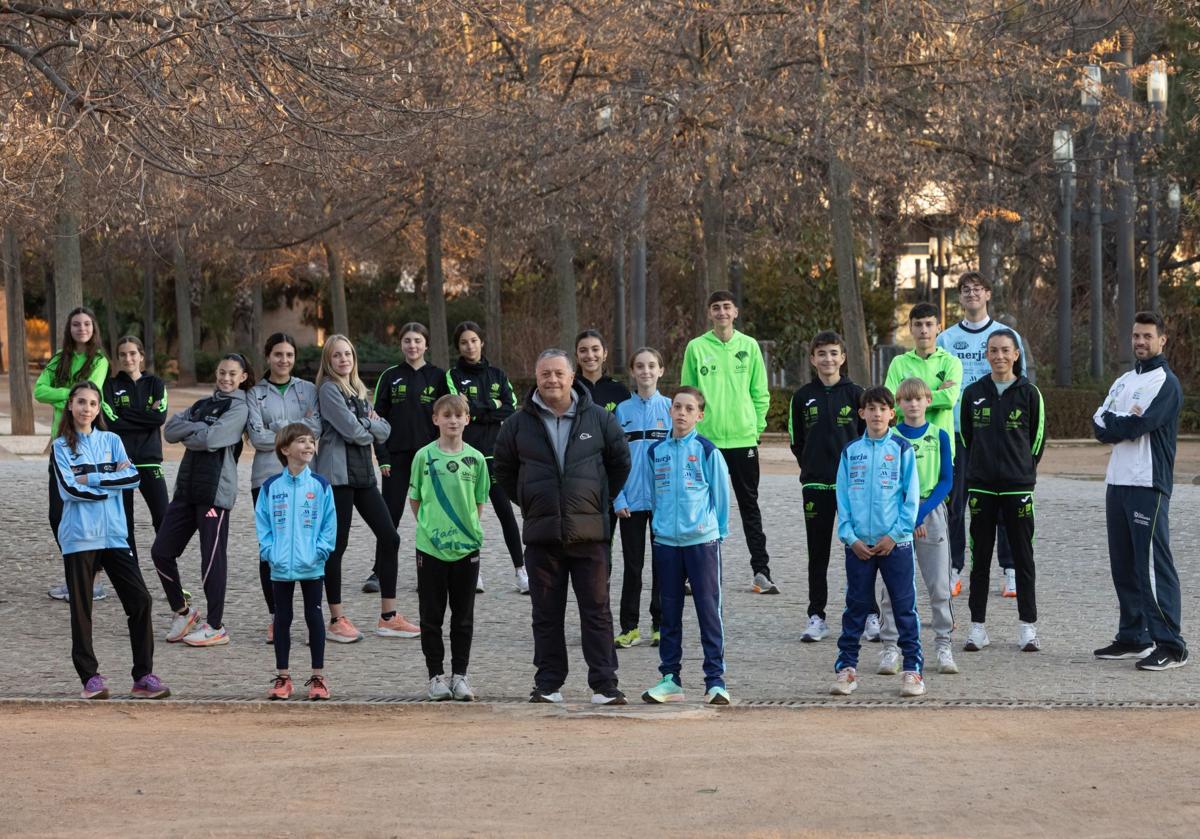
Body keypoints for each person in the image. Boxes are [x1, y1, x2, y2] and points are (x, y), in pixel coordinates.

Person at [493, 349, 631, 705]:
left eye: (558, 373)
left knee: (597, 611)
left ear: (572, 377)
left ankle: (604, 685)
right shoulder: (516, 425)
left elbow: (620, 464)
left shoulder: (600, 420)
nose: (552, 380)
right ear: (535, 379)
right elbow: (505, 472)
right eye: (545, 374)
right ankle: (548, 684)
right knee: (546, 613)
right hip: (542, 535)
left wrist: (595, 502)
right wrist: (534, 502)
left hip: (591, 535)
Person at [53, 381, 169, 700]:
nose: (86, 408)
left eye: (92, 403)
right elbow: (68, 490)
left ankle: (143, 676)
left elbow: (132, 478)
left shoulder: (112, 440)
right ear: (71, 406)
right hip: (80, 538)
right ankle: (89, 677)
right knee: (82, 609)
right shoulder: (61, 446)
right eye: (80, 402)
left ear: (98, 408)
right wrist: (110, 483)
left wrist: (93, 478)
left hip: (116, 537)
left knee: (141, 601)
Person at [1093, 311, 1187, 670]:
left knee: (1151, 565)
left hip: (1148, 483)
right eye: (1136, 336)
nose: (1140, 342)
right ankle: (1134, 636)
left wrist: (1121, 423)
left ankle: (1171, 644)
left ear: (1162, 340)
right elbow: (1099, 423)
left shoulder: (1166, 382)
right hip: (1117, 481)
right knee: (1124, 564)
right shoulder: (1123, 381)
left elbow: (1142, 424)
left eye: (1148, 336)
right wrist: (1123, 423)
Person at [314, 334, 418, 643]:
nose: (344, 359)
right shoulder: (329, 390)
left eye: (348, 354)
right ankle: (336, 618)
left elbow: (384, 430)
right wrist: (369, 424)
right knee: (337, 546)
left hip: (363, 475)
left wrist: (368, 424)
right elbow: (355, 432)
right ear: (328, 362)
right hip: (338, 477)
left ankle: (388, 616)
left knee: (390, 537)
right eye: (337, 355)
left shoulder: (359, 391)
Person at [937, 272, 1030, 598]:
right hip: (958, 434)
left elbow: (1023, 388)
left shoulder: (1007, 336)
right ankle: (953, 569)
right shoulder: (945, 339)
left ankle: (1010, 570)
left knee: (1003, 503)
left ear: (988, 294)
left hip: (998, 436)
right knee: (955, 504)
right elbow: (937, 386)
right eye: (966, 290)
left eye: (978, 289)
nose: (972, 294)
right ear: (959, 297)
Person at [639, 387, 732, 706]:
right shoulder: (656, 452)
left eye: (688, 408)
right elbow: (652, 493)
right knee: (669, 612)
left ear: (699, 415)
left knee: (709, 610)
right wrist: (660, 529)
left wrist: (716, 532)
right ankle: (670, 679)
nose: (681, 413)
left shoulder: (707, 451)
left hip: (702, 542)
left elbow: (720, 497)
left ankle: (716, 681)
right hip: (666, 543)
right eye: (677, 406)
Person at [152, 353, 252, 647]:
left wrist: (193, 431)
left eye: (233, 374)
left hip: (214, 494)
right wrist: (199, 430)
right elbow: (169, 431)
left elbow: (211, 440)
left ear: (243, 377)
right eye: (222, 372)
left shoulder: (239, 407)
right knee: (161, 551)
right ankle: (184, 612)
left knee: (211, 560)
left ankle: (216, 626)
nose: (226, 378)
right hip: (186, 489)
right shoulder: (201, 405)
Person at [829, 386, 924, 698]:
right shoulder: (850, 452)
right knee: (855, 606)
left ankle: (912, 670)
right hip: (859, 546)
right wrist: (850, 537)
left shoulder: (902, 449)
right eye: (871, 408)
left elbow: (910, 500)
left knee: (903, 606)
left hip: (895, 545)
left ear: (892, 413)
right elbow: (842, 498)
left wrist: (895, 536)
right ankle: (847, 669)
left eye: (883, 408)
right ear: (862, 413)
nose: (877, 414)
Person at [680, 290, 774, 593]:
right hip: (707, 442)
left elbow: (760, 392)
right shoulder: (696, 348)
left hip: (742, 439)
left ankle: (761, 571)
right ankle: (693, 572)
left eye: (726, 307)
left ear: (735, 312)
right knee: (700, 506)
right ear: (710, 314)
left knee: (749, 505)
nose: (721, 312)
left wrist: (755, 427)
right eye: (716, 308)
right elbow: (688, 396)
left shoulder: (749, 347)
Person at [959, 330, 1045, 653]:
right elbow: (967, 437)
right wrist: (982, 469)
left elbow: (1037, 441)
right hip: (981, 487)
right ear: (986, 354)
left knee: (1023, 558)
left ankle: (1027, 627)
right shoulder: (973, 393)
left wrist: (1020, 471)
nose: (999, 356)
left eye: (1005, 350)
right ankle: (977, 627)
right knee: (979, 557)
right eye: (993, 350)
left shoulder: (1030, 393)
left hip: (1017, 489)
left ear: (1016, 354)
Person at [788, 331, 869, 643]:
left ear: (843, 357)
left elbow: (866, 438)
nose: (828, 359)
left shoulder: (857, 394)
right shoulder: (801, 396)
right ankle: (816, 616)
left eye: (834, 353)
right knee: (817, 553)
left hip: (853, 488)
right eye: (821, 354)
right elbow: (797, 442)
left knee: (861, 549)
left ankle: (868, 614)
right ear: (813, 359)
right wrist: (812, 467)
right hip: (816, 486)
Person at [409, 395, 490, 701]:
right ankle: (435, 676)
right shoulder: (423, 457)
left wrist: (464, 531)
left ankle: (460, 676)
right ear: (436, 419)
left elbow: (478, 501)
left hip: (466, 549)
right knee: (431, 615)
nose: (453, 420)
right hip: (430, 548)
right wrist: (432, 530)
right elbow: (415, 498)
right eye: (447, 415)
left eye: (459, 415)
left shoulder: (477, 459)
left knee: (463, 615)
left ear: (467, 419)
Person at [876, 378, 957, 676]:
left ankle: (943, 644)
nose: (912, 405)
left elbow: (947, 479)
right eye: (906, 400)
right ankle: (890, 648)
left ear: (928, 401)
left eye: (918, 399)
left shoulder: (940, 435)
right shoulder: (891, 436)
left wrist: (921, 512)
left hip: (930, 512)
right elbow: (886, 481)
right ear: (898, 405)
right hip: (896, 515)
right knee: (891, 587)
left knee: (938, 584)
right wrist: (907, 515)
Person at [246, 332, 321, 642]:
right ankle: (277, 617)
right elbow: (256, 436)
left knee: (307, 546)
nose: (284, 360)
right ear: (268, 356)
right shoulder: (254, 393)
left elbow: (316, 429)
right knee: (271, 550)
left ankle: (310, 617)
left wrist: (277, 430)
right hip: (266, 479)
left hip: (306, 481)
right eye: (278, 354)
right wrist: (295, 432)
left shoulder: (308, 390)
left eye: (289, 355)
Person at [446, 321, 528, 594]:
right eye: (463, 342)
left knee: (505, 512)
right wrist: (490, 407)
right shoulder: (453, 375)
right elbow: (459, 410)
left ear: (482, 342)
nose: (469, 346)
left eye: (473, 340)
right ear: (458, 347)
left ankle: (521, 572)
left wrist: (480, 410)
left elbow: (511, 407)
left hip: (495, 455)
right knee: (470, 515)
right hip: (465, 455)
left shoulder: (498, 375)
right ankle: (474, 572)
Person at [366, 322, 448, 593]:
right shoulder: (390, 376)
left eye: (417, 341)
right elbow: (376, 422)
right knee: (390, 517)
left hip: (430, 459)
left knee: (432, 515)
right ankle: (379, 572)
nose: (412, 346)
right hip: (396, 460)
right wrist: (383, 457)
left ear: (426, 345)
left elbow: (449, 418)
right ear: (400, 344)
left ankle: (432, 572)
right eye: (407, 341)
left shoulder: (438, 376)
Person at [256, 423, 336, 701]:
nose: (308, 446)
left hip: (312, 565)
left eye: (311, 442)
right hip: (279, 567)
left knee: (314, 616)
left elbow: (329, 524)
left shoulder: (321, 485)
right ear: (285, 449)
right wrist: (269, 551)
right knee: (282, 618)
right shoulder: (270, 487)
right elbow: (263, 524)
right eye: (301, 441)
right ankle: (283, 676)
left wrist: (321, 551)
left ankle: (318, 676)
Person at [38, 306, 110, 602]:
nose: (82, 328)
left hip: (87, 443)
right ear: (69, 328)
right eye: (76, 324)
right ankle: (76, 574)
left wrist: (65, 394)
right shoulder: (59, 359)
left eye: (87, 324)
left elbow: (90, 394)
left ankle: (90, 579)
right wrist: (69, 395)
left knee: (86, 513)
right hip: (60, 443)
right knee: (58, 516)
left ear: (94, 328)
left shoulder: (100, 360)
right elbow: (39, 391)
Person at [612, 347, 670, 649]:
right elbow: (612, 458)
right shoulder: (622, 411)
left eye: (651, 366)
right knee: (633, 566)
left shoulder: (672, 408)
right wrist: (617, 497)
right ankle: (629, 627)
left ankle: (660, 625)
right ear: (632, 372)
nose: (646, 371)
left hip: (664, 504)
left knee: (663, 565)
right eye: (639, 366)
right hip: (630, 504)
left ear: (661, 370)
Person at [102, 337, 169, 571]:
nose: (128, 358)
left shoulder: (156, 383)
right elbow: (111, 421)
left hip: (150, 462)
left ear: (141, 356)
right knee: (124, 524)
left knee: (163, 519)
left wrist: (126, 415)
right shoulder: (109, 386)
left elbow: (159, 417)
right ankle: (134, 579)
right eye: (123, 354)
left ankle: (170, 577)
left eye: (132, 353)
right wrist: (143, 417)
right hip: (121, 463)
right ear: (118, 358)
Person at [575, 329, 631, 413]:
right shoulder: (569, 389)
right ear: (577, 356)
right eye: (583, 350)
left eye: (595, 349)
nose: (590, 355)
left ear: (605, 354)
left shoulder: (620, 390)